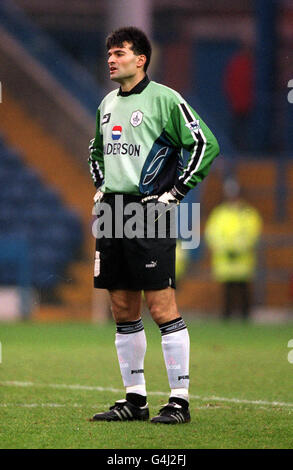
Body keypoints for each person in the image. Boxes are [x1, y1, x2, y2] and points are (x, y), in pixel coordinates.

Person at [88, 26, 220, 424]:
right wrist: (100, 185)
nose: (112, 59)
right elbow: (95, 151)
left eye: (120, 53)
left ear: (140, 59)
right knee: (122, 308)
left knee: (161, 306)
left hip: (150, 211)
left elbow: (204, 144)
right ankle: (135, 400)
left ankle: (179, 400)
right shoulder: (107, 103)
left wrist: (176, 192)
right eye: (110, 53)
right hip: (113, 211)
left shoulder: (166, 99)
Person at [204, 178, 262, 320]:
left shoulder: (249, 214)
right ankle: (227, 315)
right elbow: (212, 234)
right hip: (226, 261)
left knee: (243, 289)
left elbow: (253, 233)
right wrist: (227, 249)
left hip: (242, 261)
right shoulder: (220, 214)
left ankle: (245, 316)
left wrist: (238, 248)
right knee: (227, 291)